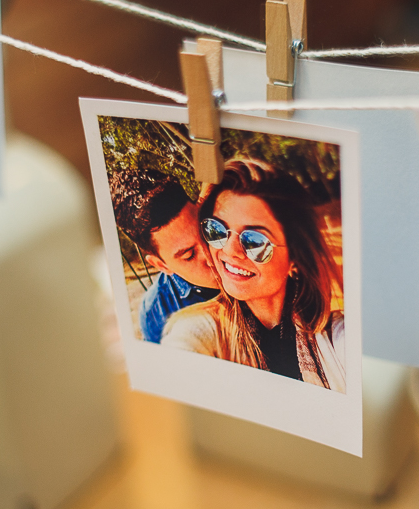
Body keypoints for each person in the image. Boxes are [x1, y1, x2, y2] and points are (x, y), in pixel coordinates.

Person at [162, 160, 346, 391]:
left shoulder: (336, 336)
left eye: (255, 241)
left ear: (294, 257)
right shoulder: (204, 329)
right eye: (216, 230)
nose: (230, 250)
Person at [109, 169, 219, 343]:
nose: (211, 254)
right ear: (161, 265)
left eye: (207, 232)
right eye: (189, 255)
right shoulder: (156, 313)